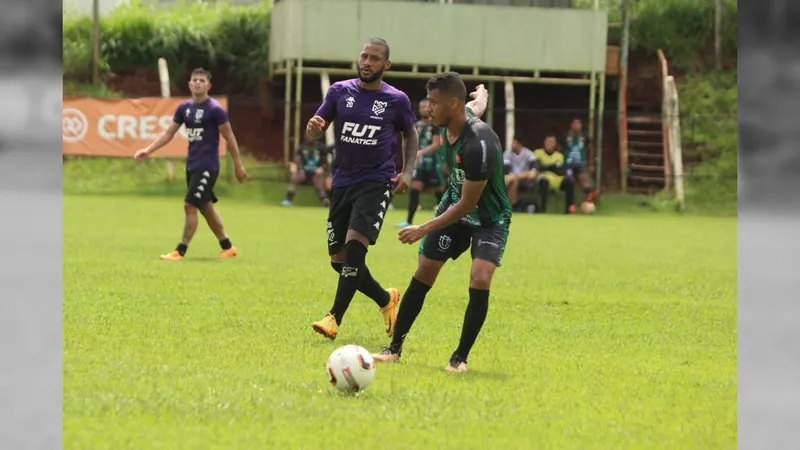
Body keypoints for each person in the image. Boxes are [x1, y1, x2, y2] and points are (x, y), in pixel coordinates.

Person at [372, 72, 512, 373]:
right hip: (454, 204)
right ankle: (394, 348)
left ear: (452, 104)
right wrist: (482, 93)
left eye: (433, 103)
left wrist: (423, 227)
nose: (427, 108)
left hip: (488, 216)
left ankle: (459, 358)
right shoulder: (455, 118)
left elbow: (468, 205)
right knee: (424, 272)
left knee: (480, 278)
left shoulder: (479, 144)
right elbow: (477, 104)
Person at [305, 38, 420, 341]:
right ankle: (386, 299)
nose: (367, 62)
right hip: (342, 182)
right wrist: (313, 130)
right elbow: (314, 130)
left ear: (386, 65)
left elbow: (410, 134)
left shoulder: (396, 100)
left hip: (376, 181)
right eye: (364, 56)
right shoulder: (339, 91)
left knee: (356, 246)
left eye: (375, 58)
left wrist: (407, 171)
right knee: (340, 261)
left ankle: (333, 318)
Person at [134, 68, 247, 261]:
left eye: (202, 80)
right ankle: (227, 246)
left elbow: (230, 137)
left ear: (208, 85)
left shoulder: (215, 110)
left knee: (189, 205)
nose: (197, 83)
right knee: (205, 207)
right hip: (192, 165)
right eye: (194, 80)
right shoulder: (184, 108)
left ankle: (180, 250)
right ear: (189, 84)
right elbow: (169, 133)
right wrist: (148, 150)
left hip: (208, 166)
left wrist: (238, 165)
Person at [395, 99, 446, 228]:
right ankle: (409, 221)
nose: (423, 109)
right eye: (421, 107)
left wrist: (421, 152)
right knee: (414, 189)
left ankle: (447, 219)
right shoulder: (416, 125)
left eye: (425, 106)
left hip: (433, 164)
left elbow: (436, 144)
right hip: (420, 165)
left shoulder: (435, 125)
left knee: (439, 192)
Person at [281, 135, 330, 207]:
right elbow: (297, 161)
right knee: (295, 178)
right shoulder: (302, 147)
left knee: (319, 182)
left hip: (316, 172)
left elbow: (326, 163)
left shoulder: (322, 147)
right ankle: (288, 200)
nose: (310, 138)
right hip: (304, 171)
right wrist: (294, 166)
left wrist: (322, 168)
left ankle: (324, 200)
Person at [563, 118, 599, 211]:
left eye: (578, 123)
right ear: (571, 125)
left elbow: (590, 149)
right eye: (574, 123)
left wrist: (591, 164)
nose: (576, 125)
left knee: (584, 179)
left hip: (581, 163)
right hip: (569, 164)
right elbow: (560, 148)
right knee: (569, 180)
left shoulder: (585, 136)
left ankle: (589, 196)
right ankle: (570, 206)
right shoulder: (566, 136)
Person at [534, 133, 575, 213]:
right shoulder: (538, 153)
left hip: (558, 180)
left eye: (552, 142)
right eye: (548, 142)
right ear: (544, 142)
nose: (550, 144)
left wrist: (546, 166)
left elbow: (560, 170)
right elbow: (538, 167)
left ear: (555, 144)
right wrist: (552, 167)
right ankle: (542, 210)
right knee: (543, 182)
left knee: (569, 181)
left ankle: (569, 210)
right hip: (544, 178)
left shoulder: (559, 156)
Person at [503, 136, 539, 211]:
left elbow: (534, 169)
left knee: (532, 175)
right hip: (511, 178)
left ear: (520, 144)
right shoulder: (507, 154)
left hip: (525, 178)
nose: (512, 145)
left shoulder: (528, 153)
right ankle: (513, 206)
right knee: (513, 179)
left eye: (514, 143)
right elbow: (506, 170)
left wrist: (519, 176)